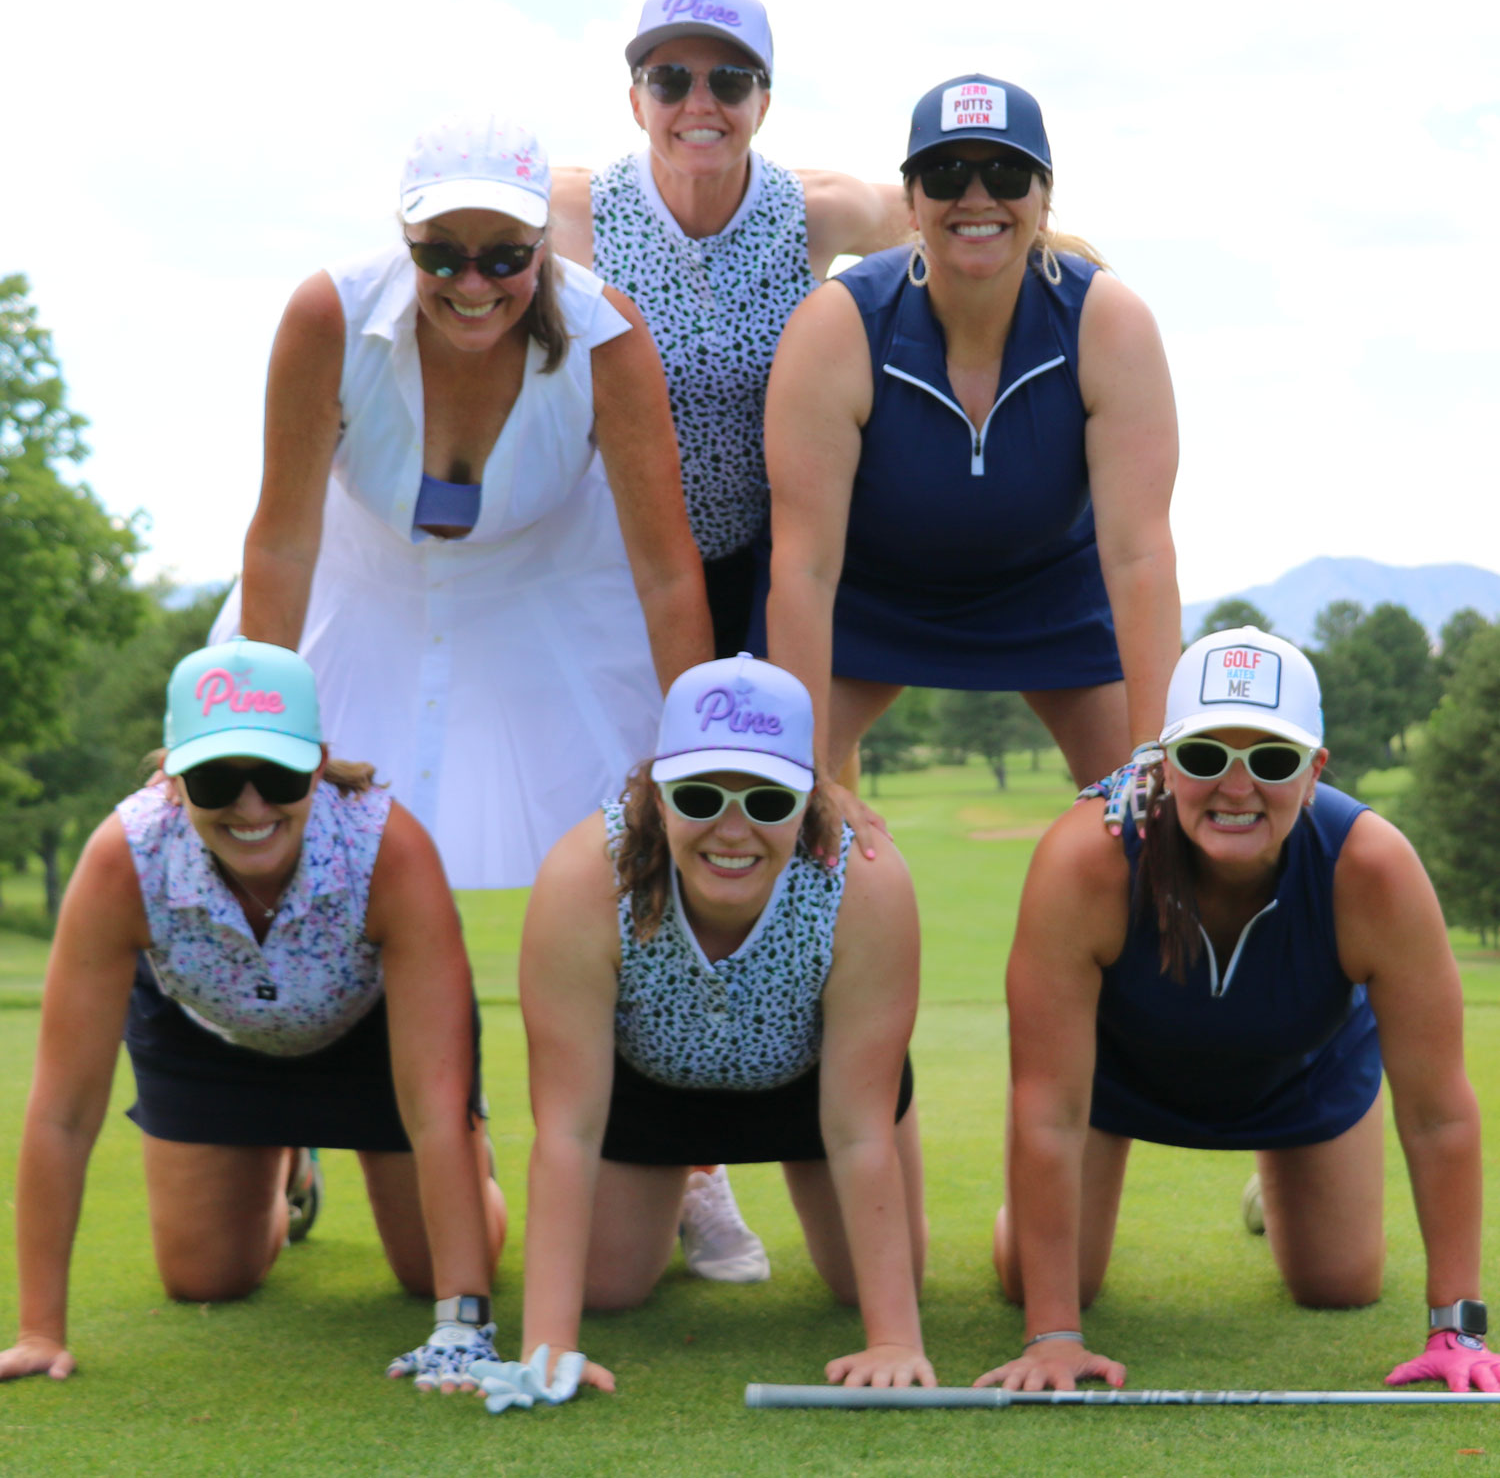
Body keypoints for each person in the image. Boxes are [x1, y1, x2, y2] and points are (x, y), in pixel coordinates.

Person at [983, 626, 1500, 1395]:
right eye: (1203, 755)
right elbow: (1049, 1107)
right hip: (1116, 1078)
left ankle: (1276, 1183)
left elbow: (1439, 1114)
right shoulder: (1084, 857)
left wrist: (1457, 1327)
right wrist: (1053, 1335)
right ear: (1162, 761)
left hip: (1303, 1070)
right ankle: (1027, 1219)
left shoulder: (1375, 868)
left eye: (1272, 758)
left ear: (1315, 768)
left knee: (1340, 1281)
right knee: (1039, 1276)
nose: (1235, 785)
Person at [216, 112, 712, 888]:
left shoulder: (608, 339)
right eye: (441, 255)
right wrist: (265, 727)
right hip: (354, 603)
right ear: (405, 237)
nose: (473, 284)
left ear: (545, 244)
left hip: (554, 609)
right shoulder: (327, 318)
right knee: (319, 869)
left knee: (595, 874)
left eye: (506, 256)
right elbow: (283, 540)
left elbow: (666, 570)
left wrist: (699, 753)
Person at [0, 639, 507, 1391]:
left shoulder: (387, 848)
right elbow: (63, 1112)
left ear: (318, 761)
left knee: (427, 1268)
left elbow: (433, 1109)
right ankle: (288, 1159)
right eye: (214, 779)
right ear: (173, 781)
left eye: (277, 774)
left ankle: (476, 1169)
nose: (251, 805)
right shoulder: (123, 858)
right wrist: (41, 1328)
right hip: (210, 1036)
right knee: (205, 1275)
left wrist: (462, 1326)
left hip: (373, 1031)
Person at [514, 654, 932, 1396]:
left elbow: (859, 1129)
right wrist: (547, 1343)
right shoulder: (585, 874)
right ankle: (698, 1182)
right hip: (648, 1080)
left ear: (808, 798)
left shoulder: (865, 880)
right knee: (604, 1287)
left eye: (768, 800)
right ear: (659, 791)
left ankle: (715, 1181)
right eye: (701, 795)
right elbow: (568, 1129)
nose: (733, 830)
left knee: (869, 1282)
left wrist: (894, 1339)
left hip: (817, 1083)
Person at [762, 71, 1180, 795]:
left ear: (1044, 197)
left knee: (1155, 823)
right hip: (873, 596)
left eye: (1008, 172)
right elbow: (804, 567)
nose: (978, 197)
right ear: (912, 200)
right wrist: (804, 776)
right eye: (948, 171)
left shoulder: (1108, 324)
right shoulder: (838, 328)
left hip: (1050, 592)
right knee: (772, 803)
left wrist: (1155, 759)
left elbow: (1140, 555)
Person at [547, 0, 908, 660]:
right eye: (670, 80)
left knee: (789, 758)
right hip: (609, 563)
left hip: (770, 558)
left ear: (763, 103)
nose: (700, 104)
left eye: (732, 81)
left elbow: (954, 220)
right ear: (635, 101)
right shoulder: (571, 211)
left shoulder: (818, 209)